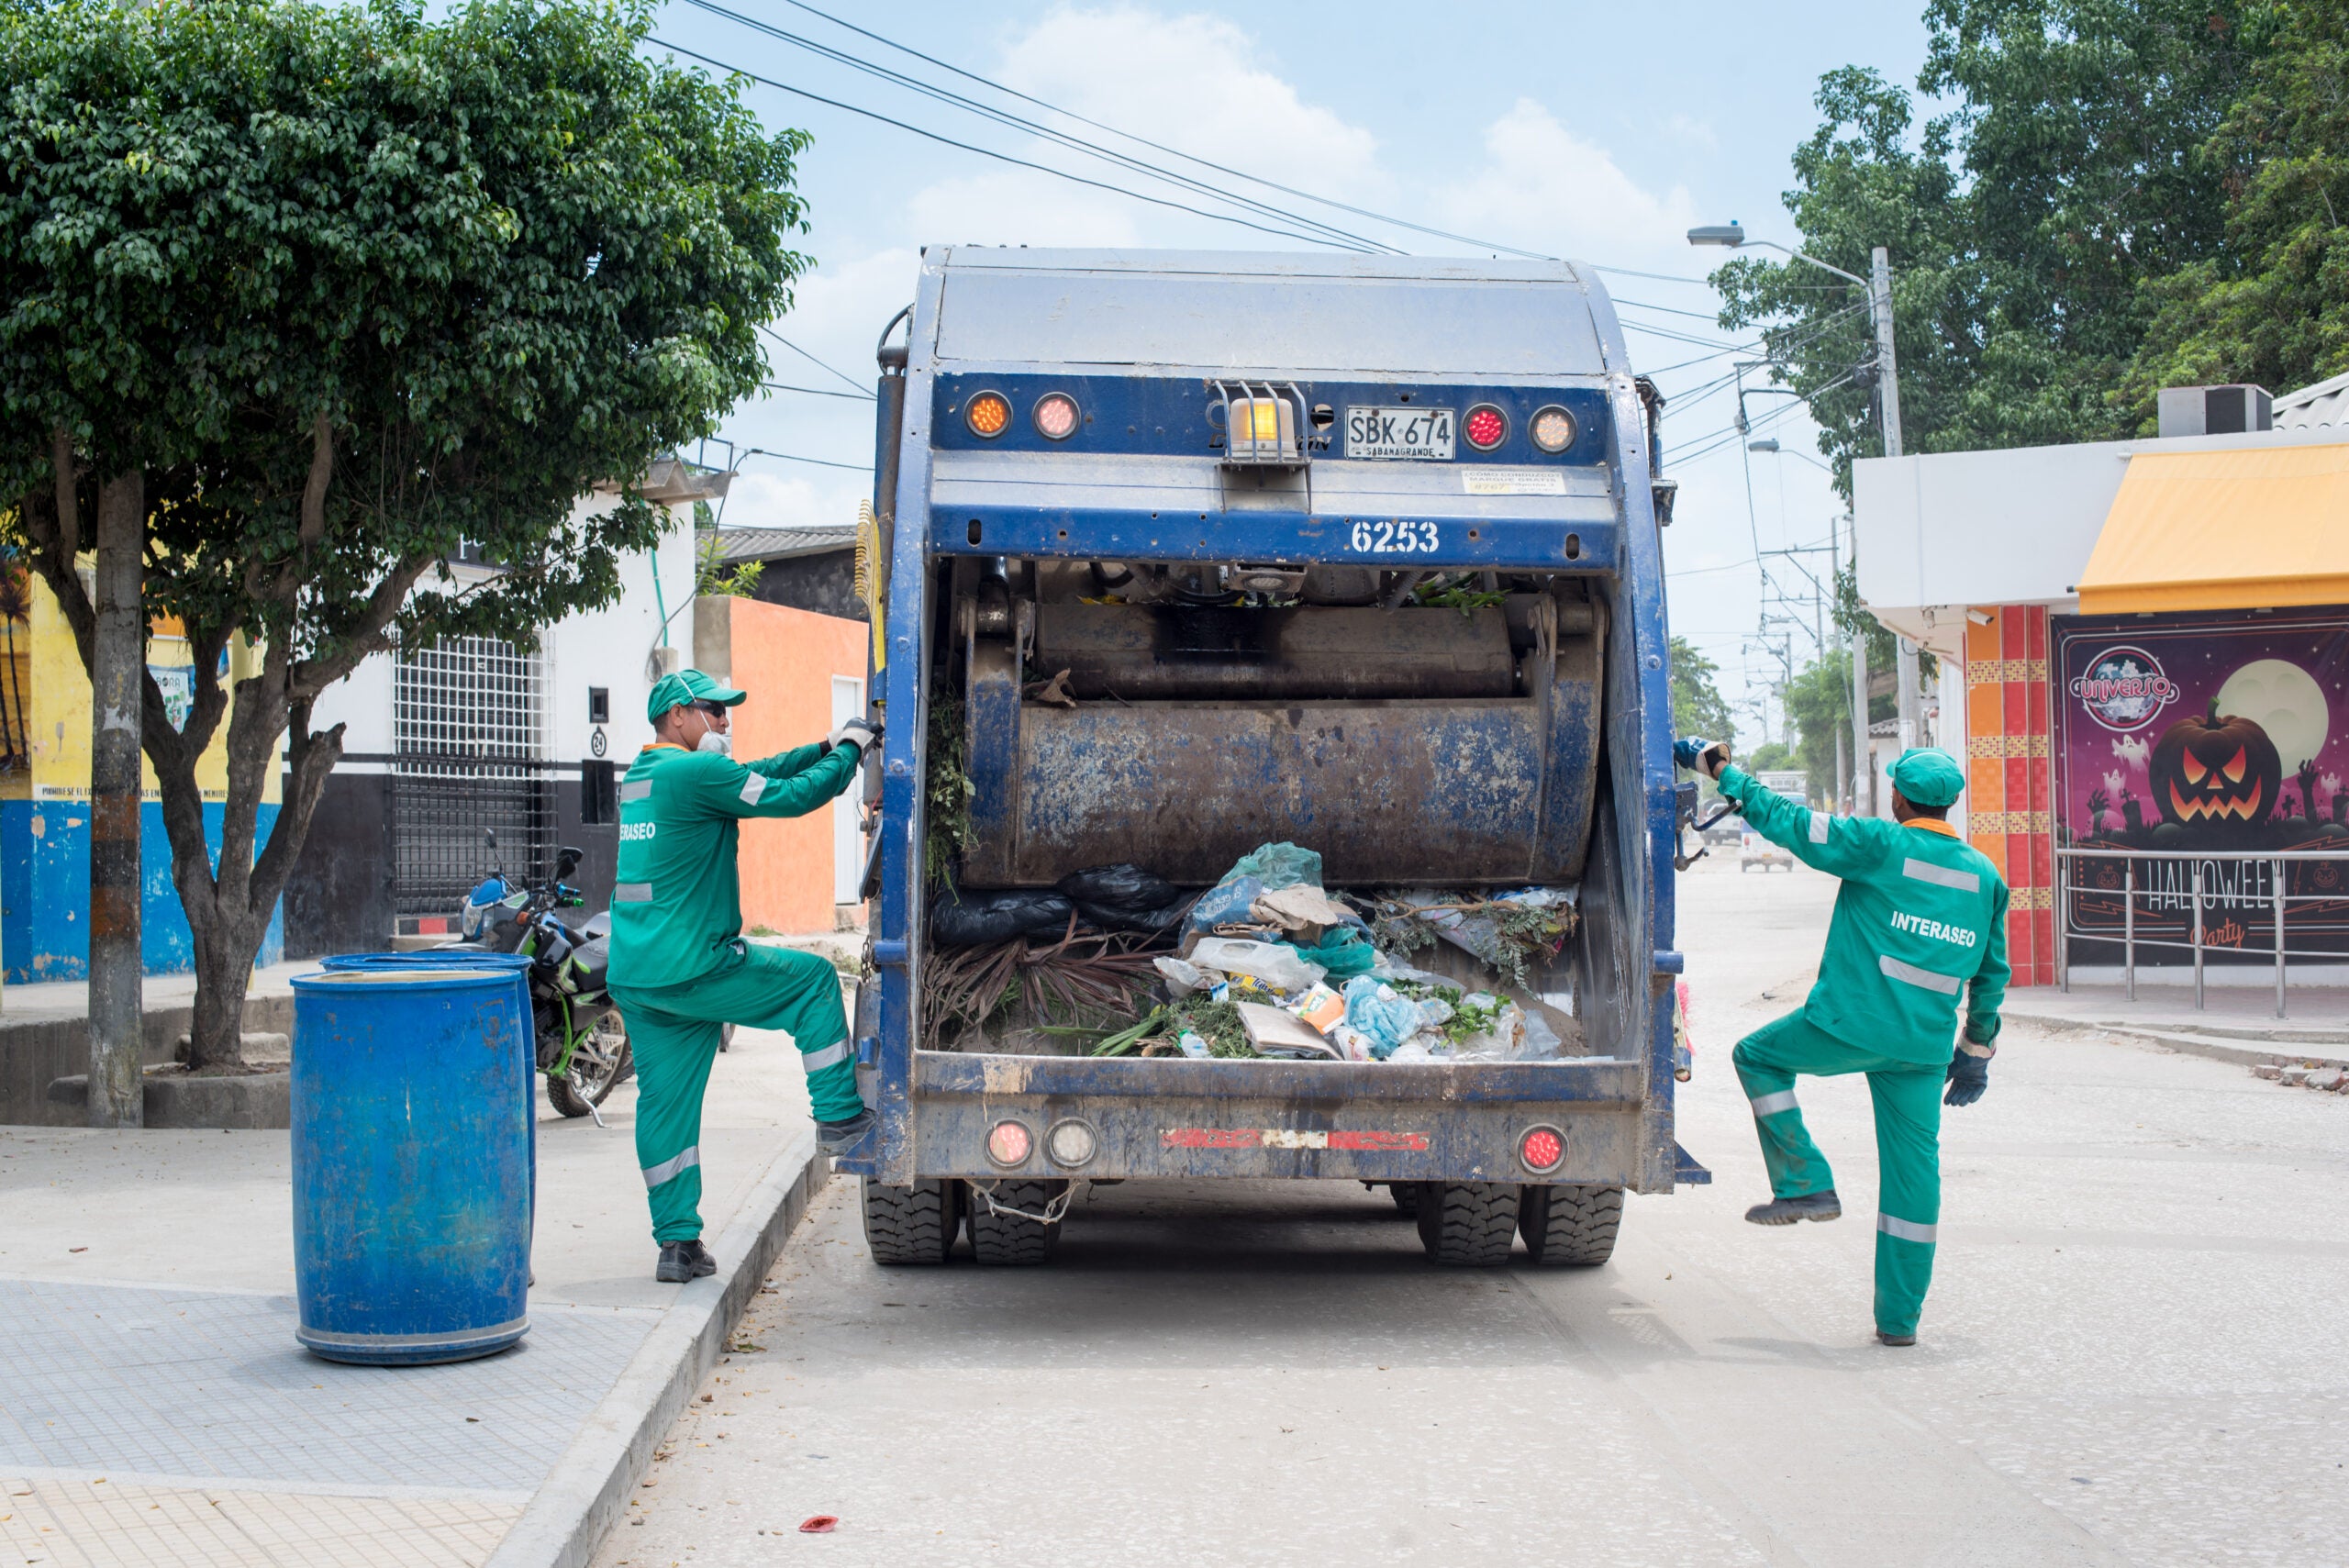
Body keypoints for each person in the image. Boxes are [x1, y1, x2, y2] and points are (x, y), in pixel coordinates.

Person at [1685, 740, 2008, 1347]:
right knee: (1914, 1180)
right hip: (1923, 1048)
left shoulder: (1879, 844)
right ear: (1954, 804)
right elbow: (1992, 977)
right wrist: (1976, 1052)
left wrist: (1720, 768)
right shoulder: (1985, 877)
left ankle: (1805, 1179)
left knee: (1757, 1056)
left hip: (1848, 1025)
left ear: (1899, 797)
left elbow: (1789, 822)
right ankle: (1899, 1322)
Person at [609, 669, 882, 1284]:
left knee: (665, 1110)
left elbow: (761, 770)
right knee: (813, 982)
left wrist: (821, 743)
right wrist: (848, 752)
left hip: (641, 975)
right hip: (696, 964)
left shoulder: (645, 776)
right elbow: (788, 796)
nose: (725, 723)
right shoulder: (696, 773)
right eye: (715, 711)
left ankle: (678, 1244)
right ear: (678, 714)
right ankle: (839, 1115)